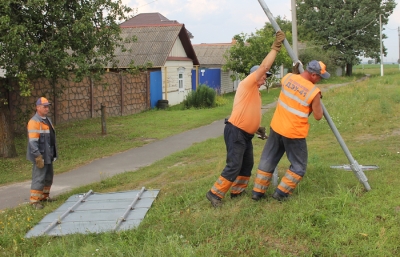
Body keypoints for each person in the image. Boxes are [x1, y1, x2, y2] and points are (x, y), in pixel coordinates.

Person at [206, 31, 286, 207]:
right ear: (255, 75)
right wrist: (275, 47)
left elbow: (246, 112)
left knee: (246, 164)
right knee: (234, 164)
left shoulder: (254, 92)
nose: (266, 78)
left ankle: (237, 192)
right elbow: (264, 67)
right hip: (236, 132)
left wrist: (257, 128)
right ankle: (215, 194)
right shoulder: (247, 83)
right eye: (265, 75)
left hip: (245, 134)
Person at [251, 60, 330, 202]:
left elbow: (293, 85)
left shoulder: (287, 78)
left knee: (268, 160)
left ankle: (257, 192)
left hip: (277, 126)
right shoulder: (314, 92)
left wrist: (296, 74)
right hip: (294, 132)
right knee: (299, 166)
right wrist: (316, 100)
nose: (319, 80)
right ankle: (281, 193)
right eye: (319, 77)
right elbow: (318, 116)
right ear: (313, 75)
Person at [27, 97, 58, 209]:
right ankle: (34, 202)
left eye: (47, 106)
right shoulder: (34, 122)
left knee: (49, 177)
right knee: (39, 178)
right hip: (40, 156)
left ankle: (44, 197)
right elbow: (33, 142)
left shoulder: (47, 120)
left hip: (48, 154)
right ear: (37, 107)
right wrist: (38, 156)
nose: (47, 108)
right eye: (44, 106)